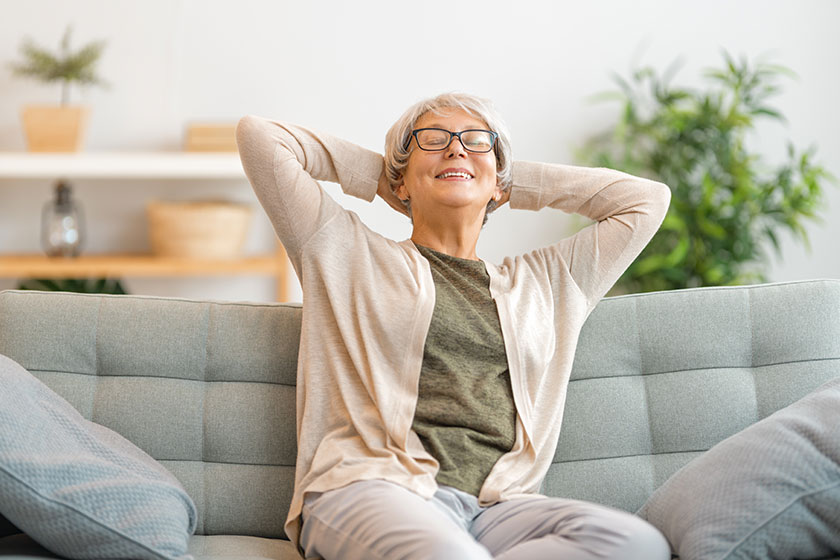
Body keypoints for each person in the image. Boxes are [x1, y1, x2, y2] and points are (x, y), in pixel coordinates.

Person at [236, 92, 672, 560]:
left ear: (500, 186)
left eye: (475, 140)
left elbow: (645, 201)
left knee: (637, 544)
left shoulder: (547, 282)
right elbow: (262, 139)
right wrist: (386, 177)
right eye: (434, 139)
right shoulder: (344, 251)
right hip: (371, 487)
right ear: (399, 180)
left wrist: (503, 179)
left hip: (497, 511)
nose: (456, 148)